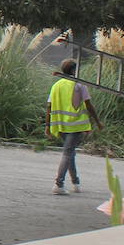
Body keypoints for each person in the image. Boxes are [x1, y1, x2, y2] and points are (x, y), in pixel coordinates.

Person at [46, 58, 103, 194]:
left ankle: (76, 183)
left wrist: (47, 126)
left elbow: (49, 106)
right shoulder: (79, 85)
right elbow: (89, 105)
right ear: (73, 70)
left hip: (60, 126)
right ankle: (58, 185)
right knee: (68, 153)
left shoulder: (56, 85)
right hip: (75, 125)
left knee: (70, 152)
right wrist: (97, 122)